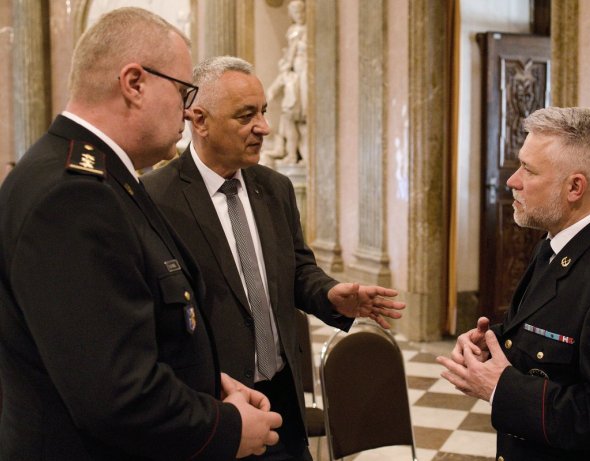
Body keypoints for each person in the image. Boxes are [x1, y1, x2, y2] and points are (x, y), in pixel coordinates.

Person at [0, 8, 281, 460]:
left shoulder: (102, 176)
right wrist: (223, 427)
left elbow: (129, 337)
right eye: (183, 90)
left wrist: (206, 385)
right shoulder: (72, 195)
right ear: (135, 83)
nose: (189, 109)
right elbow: (117, 393)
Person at [142, 55, 406, 461]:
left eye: (263, 112)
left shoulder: (276, 188)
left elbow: (298, 269)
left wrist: (331, 294)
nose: (264, 127)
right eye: (246, 116)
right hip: (215, 410)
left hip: (283, 400)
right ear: (200, 121)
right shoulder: (156, 199)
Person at [437, 107, 590, 461]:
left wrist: (501, 387)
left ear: (574, 186)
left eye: (528, 170)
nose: (511, 180)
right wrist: (493, 343)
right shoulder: (557, 246)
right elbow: (557, 337)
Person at [263, 0, 307, 165]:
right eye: (295, 13)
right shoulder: (294, 32)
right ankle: (287, 150)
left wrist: (287, 65)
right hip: (295, 77)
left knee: (295, 116)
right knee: (288, 116)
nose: (299, 15)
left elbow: (291, 56)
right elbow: (289, 55)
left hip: (302, 76)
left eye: (301, 12)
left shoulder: (304, 33)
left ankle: (291, 152)